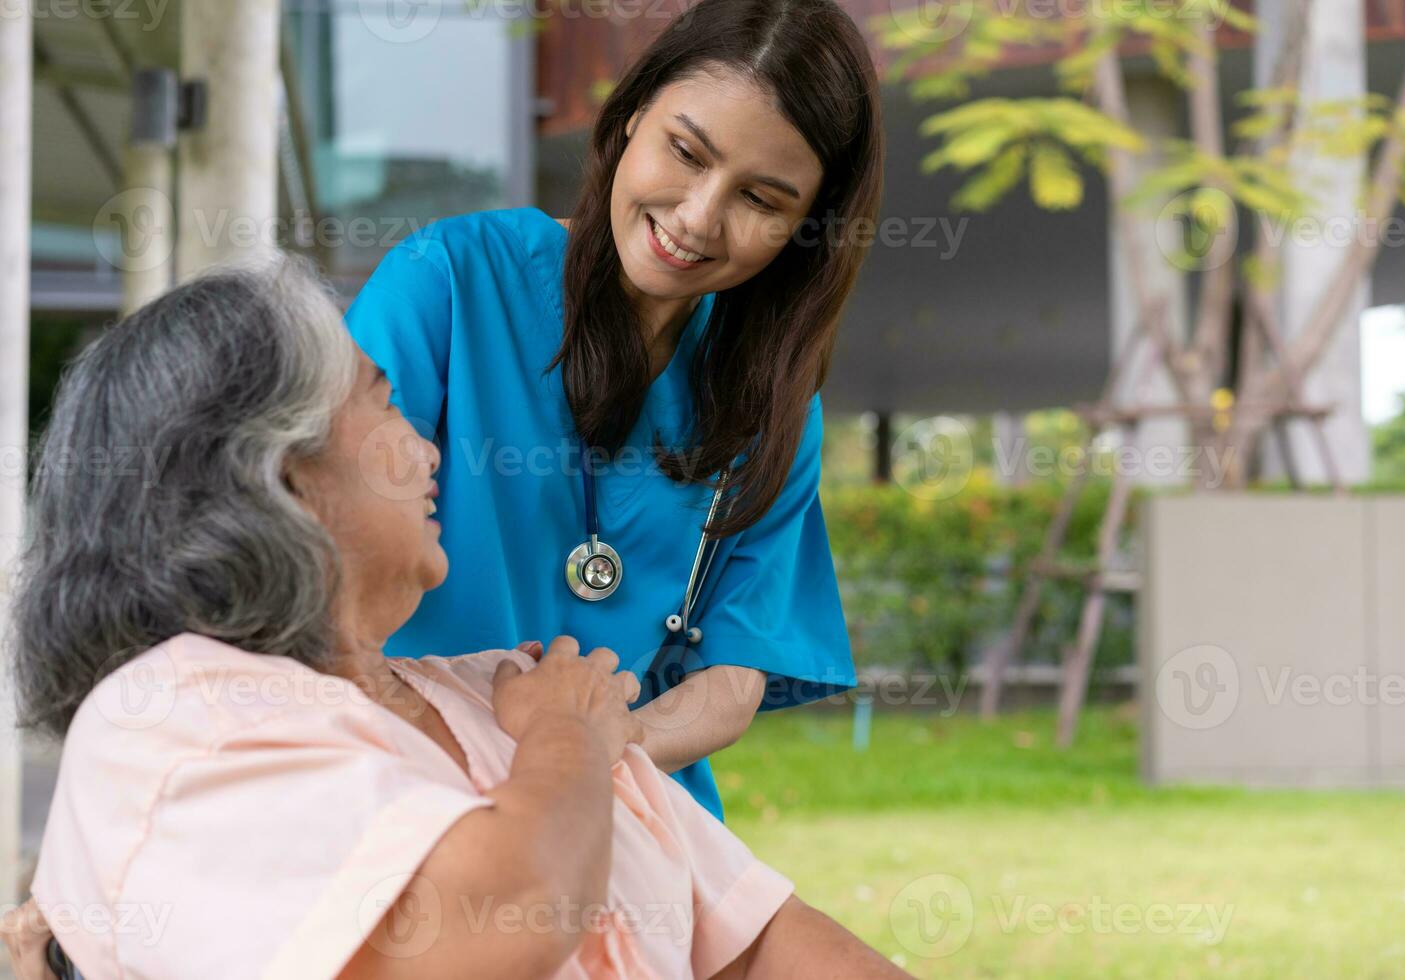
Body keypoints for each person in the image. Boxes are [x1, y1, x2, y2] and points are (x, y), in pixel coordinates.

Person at [0, 258, 909, 979]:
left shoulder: (503, 690)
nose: (429, 443)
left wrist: (569, 736)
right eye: (384, 402)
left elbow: (760, 948)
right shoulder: (166, 719)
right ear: (280, 478)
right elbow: (502, 924)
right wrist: (567, 742)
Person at [343, 0, 885, 819]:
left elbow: (730, 678)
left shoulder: (772, 403)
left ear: (807, 230)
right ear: (633, 112)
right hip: (408, 779)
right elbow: (323, 561)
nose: (699, 217)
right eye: (686, 152)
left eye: (762, 201)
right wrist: (506, 763)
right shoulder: (447, 283)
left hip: (627, 802)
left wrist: (592, 754)